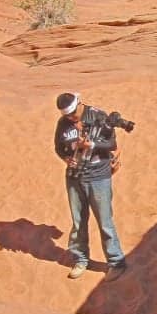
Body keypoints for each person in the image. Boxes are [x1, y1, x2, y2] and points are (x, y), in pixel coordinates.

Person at [54, 92, 128, 281]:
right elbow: (58, 147)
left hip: (98, 178)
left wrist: (92, 144)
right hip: (74, 178)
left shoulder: (98, 116)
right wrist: (66, 158)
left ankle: (116, 262)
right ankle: (81, 259)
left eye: (73, 113)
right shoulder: (63, 124)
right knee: (78, 222)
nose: (71, 117)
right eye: (67, 115)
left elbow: (112, 144)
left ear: (80, 103)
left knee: (105, 222)